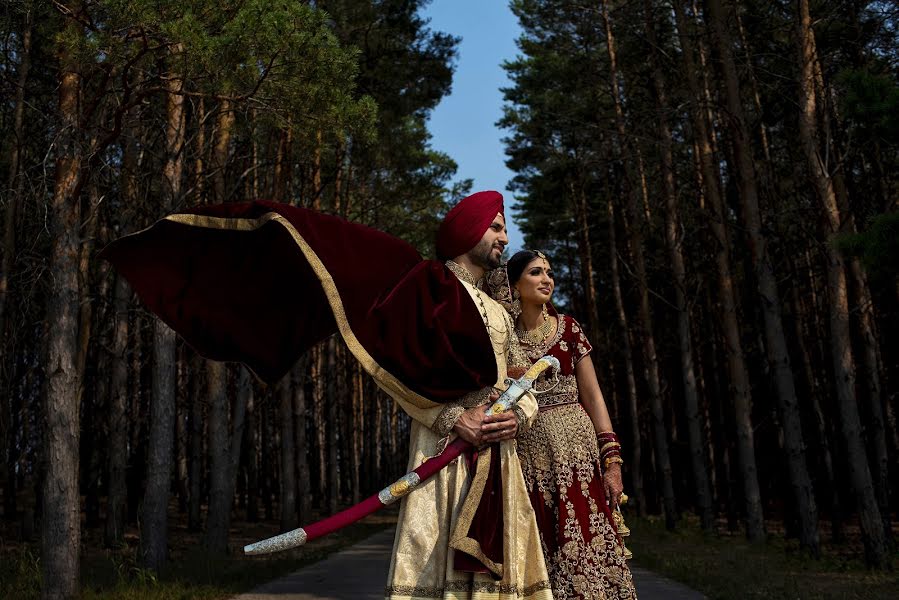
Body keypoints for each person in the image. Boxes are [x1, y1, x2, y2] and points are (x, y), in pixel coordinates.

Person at [100, 191, 552, 599]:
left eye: (504, 228)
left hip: (499, 456)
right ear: (467, 230)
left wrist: (520, 416)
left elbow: (523, 377)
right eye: (495, 226)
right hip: (445, 453)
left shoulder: (500, 310)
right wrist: (455, 418)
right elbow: (392, 367)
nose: (503, 237)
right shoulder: (427, 289)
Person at [487, 249, 637, 600]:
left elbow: (594, 396)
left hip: (579, 461)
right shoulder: (504, 343)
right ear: (515, 284)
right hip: (529, 463)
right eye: (536, 273)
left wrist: (612, 459)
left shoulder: (568, 329)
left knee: (588, 544)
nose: (547, 279)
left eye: (550, 272)